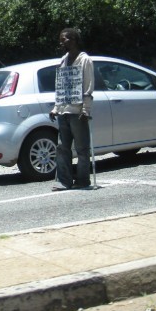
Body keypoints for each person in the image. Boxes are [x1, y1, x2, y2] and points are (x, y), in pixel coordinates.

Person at [49, 27, 94, 190]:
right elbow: (60, 86)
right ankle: (64, 180)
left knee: (82, 149)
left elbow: (88, 85)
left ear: (74, 40)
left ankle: (83, 180)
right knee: (62, 148)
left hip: (77, 111)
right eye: (60, 40)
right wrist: (56, 108)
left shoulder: (85, 60)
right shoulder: (63, 60)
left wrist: (86, 109)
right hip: (63, 111)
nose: (61, 42)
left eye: (64, 39)